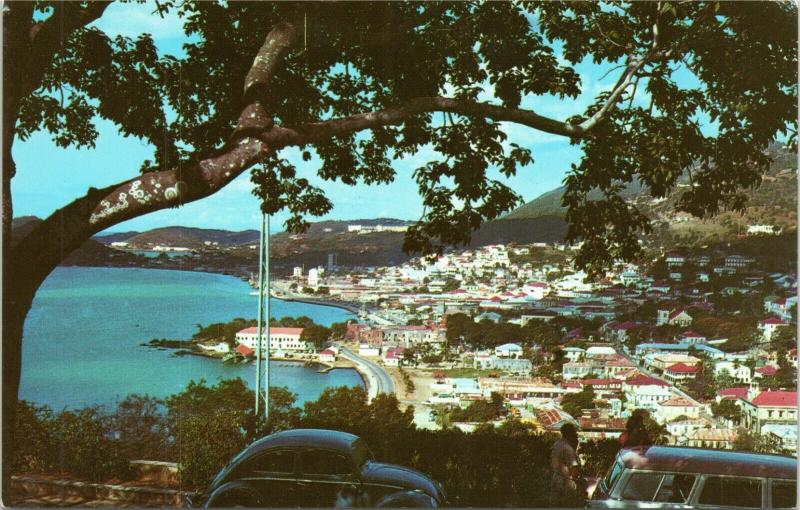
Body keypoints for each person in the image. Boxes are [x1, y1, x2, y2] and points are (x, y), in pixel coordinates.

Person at [549, 422, 583, 507]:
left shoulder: (557, 444)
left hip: (555, 479)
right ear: (570, 434)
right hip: (566, 483)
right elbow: (574, 471)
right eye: (574, 433)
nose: (576, 435)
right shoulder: (568, 449)